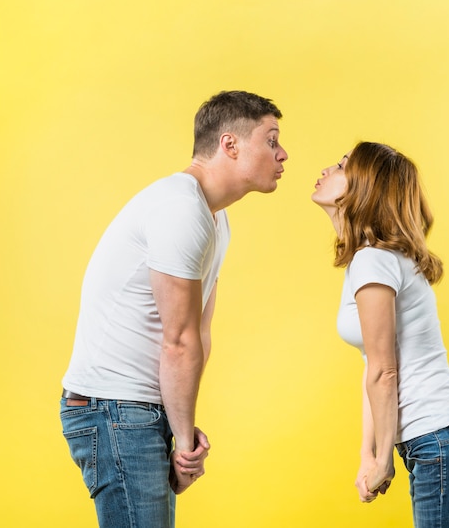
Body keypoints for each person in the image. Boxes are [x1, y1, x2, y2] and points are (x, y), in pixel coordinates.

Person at [60, 90, 288, 527]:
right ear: (230, 145)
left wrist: (181, 430)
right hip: (113, 408)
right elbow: (179, 341)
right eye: (271, 139)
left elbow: (200, 332)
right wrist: (185, 444)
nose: (283, 154)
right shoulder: (180, 208)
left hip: (138, 410)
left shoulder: (215, 218)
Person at [311, 142, 449, 527]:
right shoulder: (370, 259)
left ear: (363, 188)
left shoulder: (372, 261)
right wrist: (370, 454)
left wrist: (381, 461)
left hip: (443, 440)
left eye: (342, 166)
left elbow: (384, 372)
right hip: (443, 440)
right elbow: (373, 369)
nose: (327, 169)